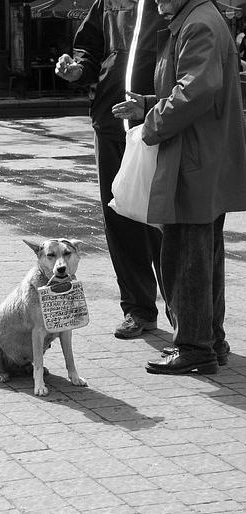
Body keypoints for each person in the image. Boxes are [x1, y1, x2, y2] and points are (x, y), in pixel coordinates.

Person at [112, 0, 246, 374]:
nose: (154, 0)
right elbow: (195, 88)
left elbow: (196, 92)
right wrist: (151, 105)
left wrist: (152, 123)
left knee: (185, 259)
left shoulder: (198, 24)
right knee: (201, 258)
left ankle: (195, 348)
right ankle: (209, 343)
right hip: (201, 156)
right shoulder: (198, 19)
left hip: (194, 159)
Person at [55, 0, 168, 339]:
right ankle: (138, 309)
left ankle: (184, 313)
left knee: (164, 219)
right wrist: (77, 69)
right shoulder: (108, 1)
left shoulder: (174, 4)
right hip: (110, 120)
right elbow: (89, 49)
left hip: (159, 122)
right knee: (119, 217)